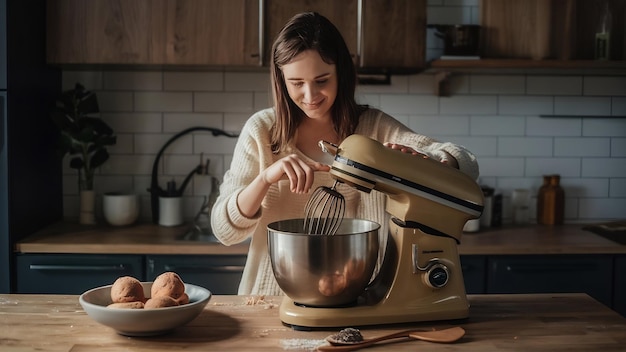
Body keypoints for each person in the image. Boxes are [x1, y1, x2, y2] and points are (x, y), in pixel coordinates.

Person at [210, 12, 479, 296]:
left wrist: (433, 163)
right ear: (281, 80)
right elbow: (224, 230)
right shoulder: (262, 131)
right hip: (268, 300)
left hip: (359, 297)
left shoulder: (374, 128)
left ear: (341, 73)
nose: (310, 95)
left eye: (322, 80)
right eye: (297, 83)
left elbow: (465, 161)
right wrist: (265, 179)